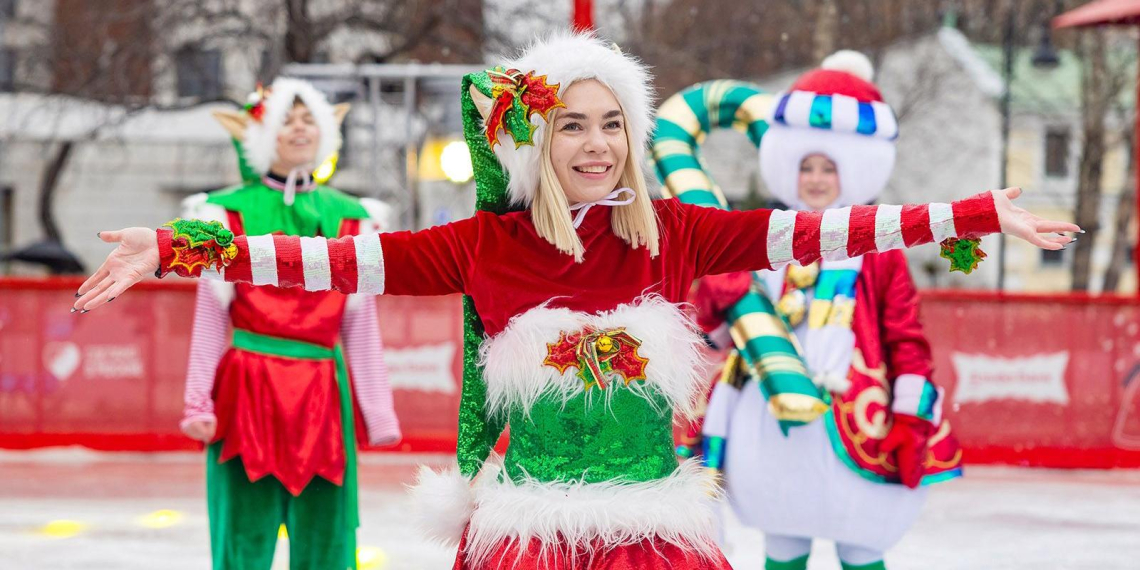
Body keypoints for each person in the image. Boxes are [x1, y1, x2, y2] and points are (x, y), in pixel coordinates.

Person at [72, 32, 1076, 570]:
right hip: (529, 541)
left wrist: (980, 212)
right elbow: (328, 260)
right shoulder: (486, 246)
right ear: (535, 144)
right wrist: (173, 245)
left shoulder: (677, 231)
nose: (597, 144)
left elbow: (831, 232)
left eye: (613, 124)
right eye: (572, 126)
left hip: (656, 539)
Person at [657, 52, 979, 570]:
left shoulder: (879, 248)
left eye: (828, 168)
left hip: (857, 419)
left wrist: (909, 416)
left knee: (861, 543)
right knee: (783, 540)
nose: (815, 179)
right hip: (768, 412)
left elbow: (905, 338)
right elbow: (716, 343)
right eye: (805, 166)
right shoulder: (760, 238)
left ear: (853, 170)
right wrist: (714, 305)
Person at [177, 77, 400, 570]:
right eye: (287, 120)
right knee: (242, 536)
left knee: (327, 538)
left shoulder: (353, 217)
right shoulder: (224, 213)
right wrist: (198, 401)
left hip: (323, 393)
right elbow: (211, 315)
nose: (300, 129)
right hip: (246, 389)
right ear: (263, 134)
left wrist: (378, 412)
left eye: (309, 120)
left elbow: (360, 326)